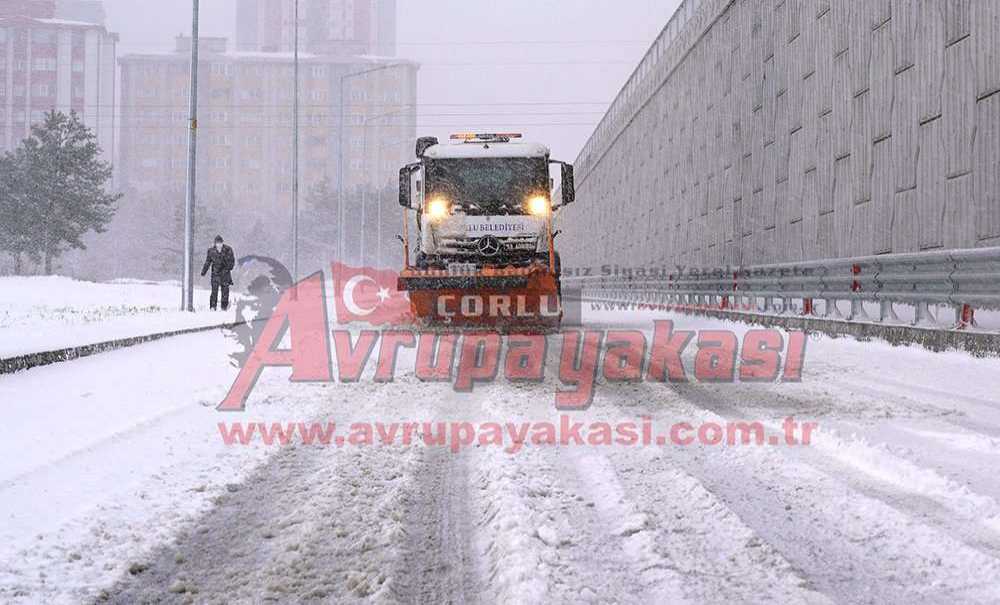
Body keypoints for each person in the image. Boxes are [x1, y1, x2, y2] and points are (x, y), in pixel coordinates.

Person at [201, 235, 236, 311]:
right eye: (217, 243)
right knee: (214, 291)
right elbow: (208, 262)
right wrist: (204, 271)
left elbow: (232, 261)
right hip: (215, 273)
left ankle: (224, 307)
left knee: (225, 291)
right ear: (215, 243)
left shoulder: (228, 249)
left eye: (220, 243)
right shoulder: (211, 251)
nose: (219, 244)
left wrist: (228, 268)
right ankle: (213, 307)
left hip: (225, 274)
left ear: (222, 243)